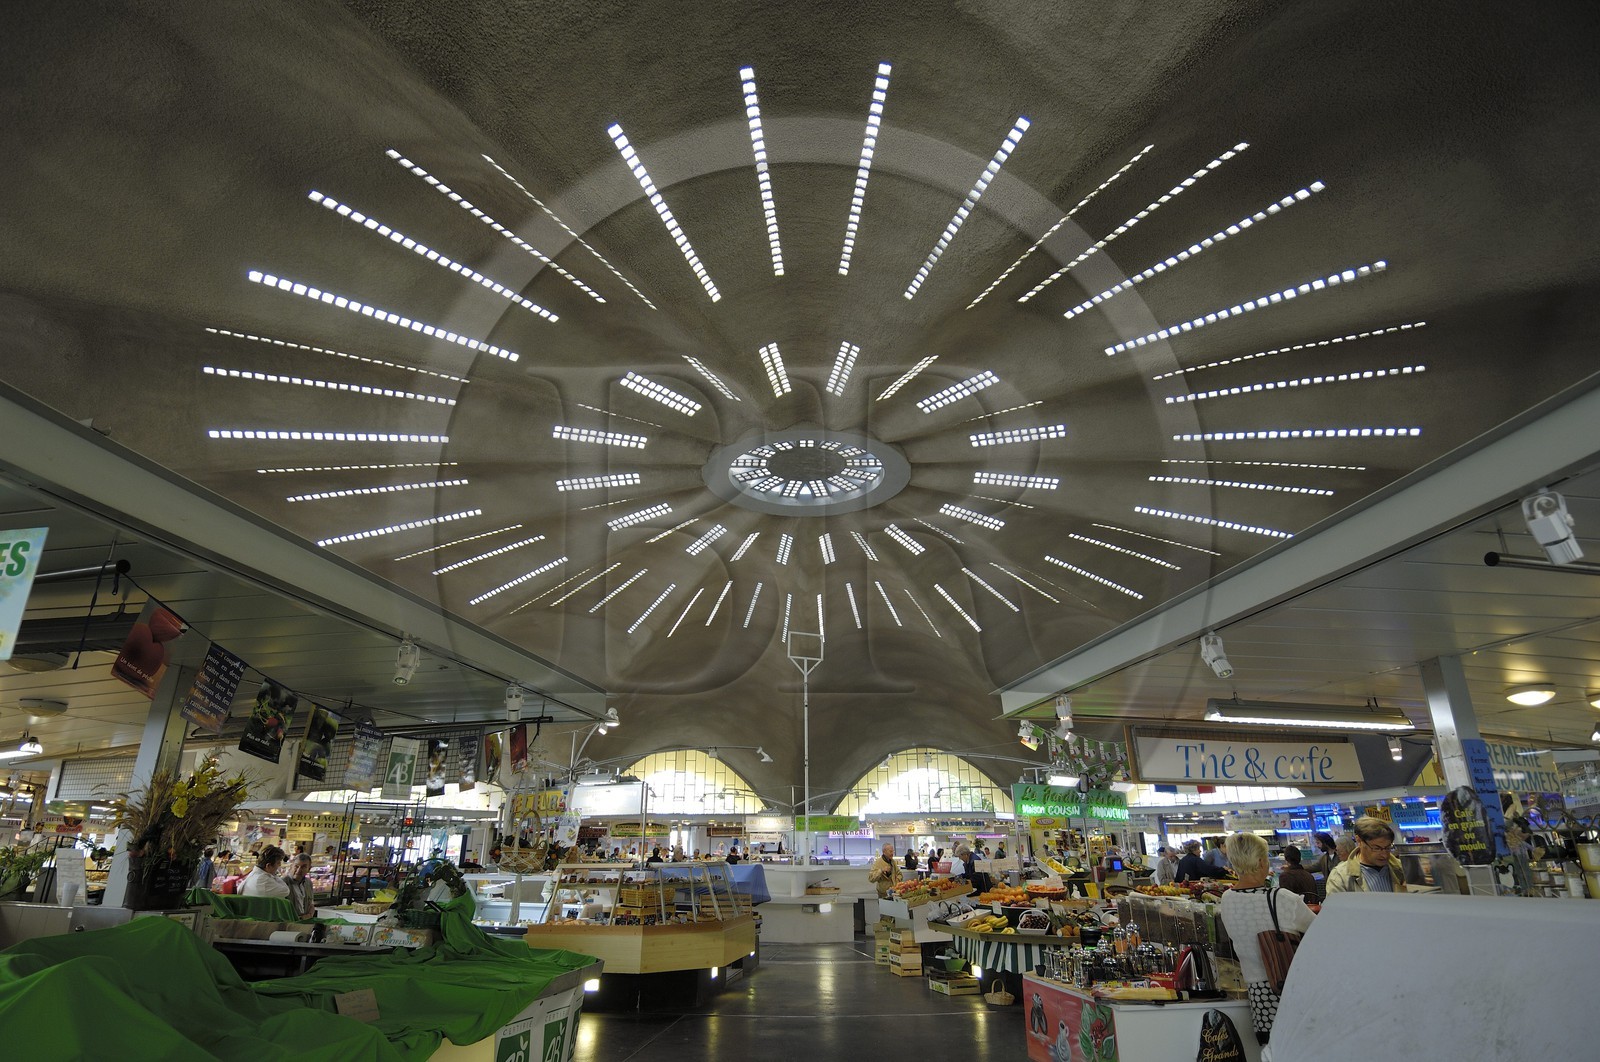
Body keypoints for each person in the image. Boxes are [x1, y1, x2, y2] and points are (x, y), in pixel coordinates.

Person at [1219, 832, 1316, 1047]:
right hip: (1292, 989)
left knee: (1270, 1050)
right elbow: (1320, 933)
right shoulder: (1282, 898)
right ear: (1262, 861)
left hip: (1258, 996)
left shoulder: (1227, 899)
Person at [1325, 816, 1408, 894]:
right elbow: (1336, 909)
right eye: (1376, 848)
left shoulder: (1403, 869)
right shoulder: (1340, 876)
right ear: (1359, 841)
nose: (1384, 855)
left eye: (1387, 848)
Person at [282, 853, 316, 918]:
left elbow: (311, 904)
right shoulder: (282, 883)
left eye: (303, 867)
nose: (298, 870)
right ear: (291, 866)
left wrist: (309, 915)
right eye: (296, 866)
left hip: (304, 923)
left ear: (309, 869)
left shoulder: (308, 883)